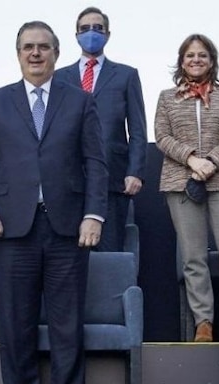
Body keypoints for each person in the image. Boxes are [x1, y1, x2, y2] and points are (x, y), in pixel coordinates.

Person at [0, 21, 108, 384]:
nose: (35, 54)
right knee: (15, 326)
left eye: (43, 47)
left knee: (67, 326)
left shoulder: (80, 102)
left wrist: (94, 214)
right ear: (17, 54)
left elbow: (96, 163)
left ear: (56, 53)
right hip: (9, 230)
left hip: (67, 229)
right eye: (28, 47)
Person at [154, 34, 219, 342]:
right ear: (181, 61)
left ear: (212, 61)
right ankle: (203, 322)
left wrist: (211, 163)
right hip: (181, 183)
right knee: (193, 257)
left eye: (202, 55)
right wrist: (192, 160)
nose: (196, 60)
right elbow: (162, 137)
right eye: (190, 55)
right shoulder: (167, 97)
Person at [55, 6, 146, 252]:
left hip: (112, 177)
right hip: (68, 178)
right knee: (68, 252)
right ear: (76, 35)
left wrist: (135, 171)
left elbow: (137, 128)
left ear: (108, 34)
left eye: (98, 28)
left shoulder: (126, 75)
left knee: (109, 251)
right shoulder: (59, 77)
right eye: (85, 29)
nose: (91, 33)